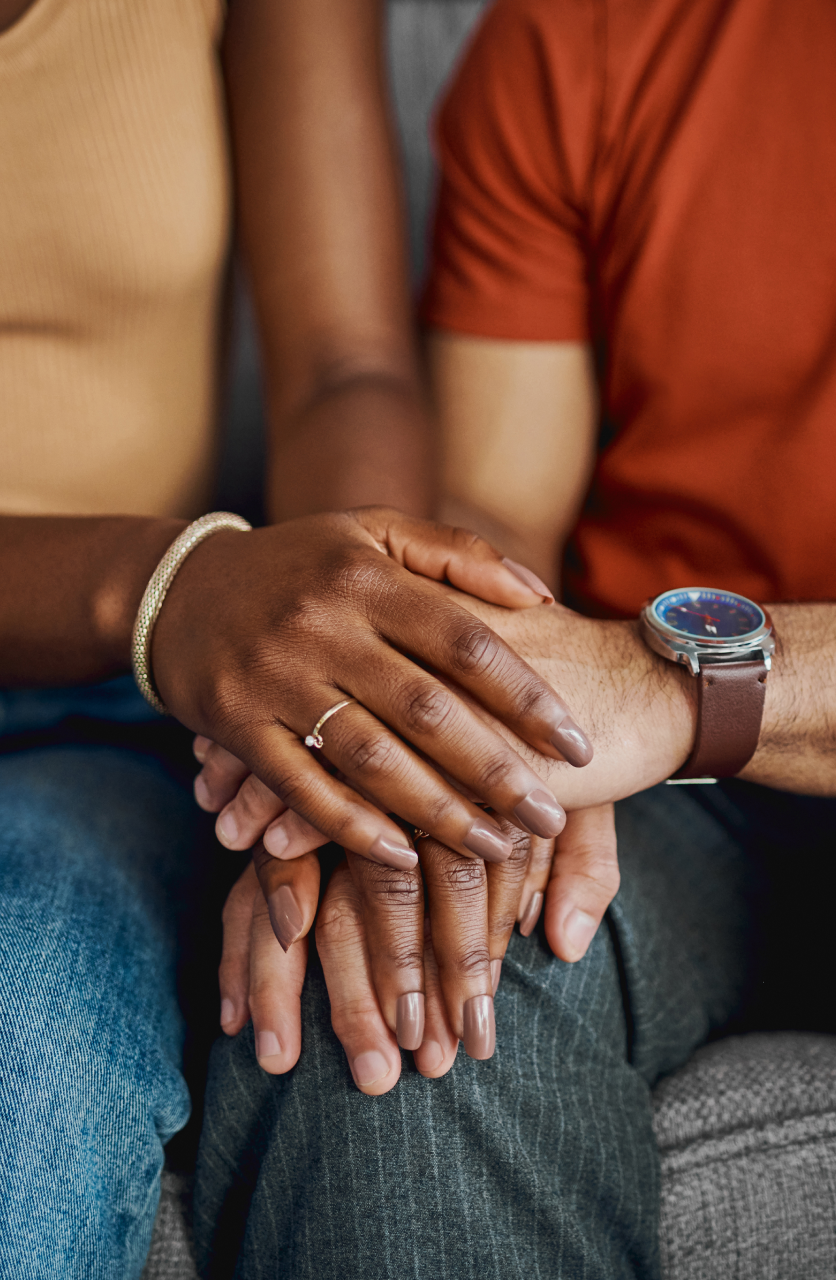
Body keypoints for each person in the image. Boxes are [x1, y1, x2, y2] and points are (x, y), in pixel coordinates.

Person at [193, 0, 836, 1275]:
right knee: (406, 985)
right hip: (669, 796)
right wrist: (445, 725)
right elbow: (499, 512)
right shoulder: (583, 30)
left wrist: (663, 690)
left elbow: (635, 688)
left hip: (662, 713)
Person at [0, 0, 594, 1274]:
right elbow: (176, 595)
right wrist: (165, 584)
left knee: (23, 1022)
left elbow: (345, 365)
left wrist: (344, 689)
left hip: (106, 716)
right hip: (158, 623)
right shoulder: (167, 595)